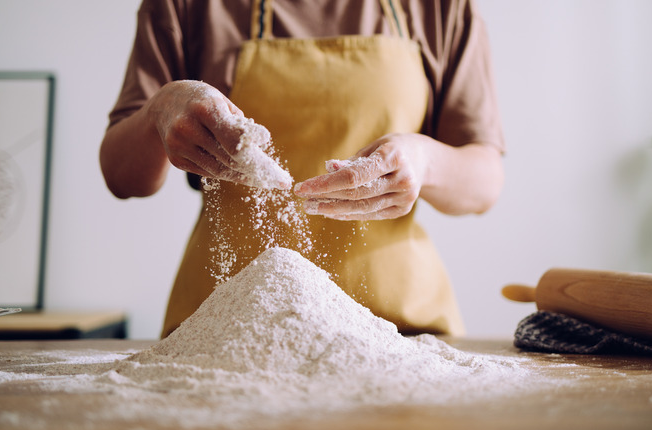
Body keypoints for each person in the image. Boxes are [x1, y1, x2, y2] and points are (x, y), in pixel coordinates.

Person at [100, 0, 505, 338]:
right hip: (226, 335)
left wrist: (424, 161)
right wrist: (162, 108)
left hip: (399, 333)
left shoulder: (439, 7)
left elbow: (485, 180)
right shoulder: (186, 7)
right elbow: (121, 177)